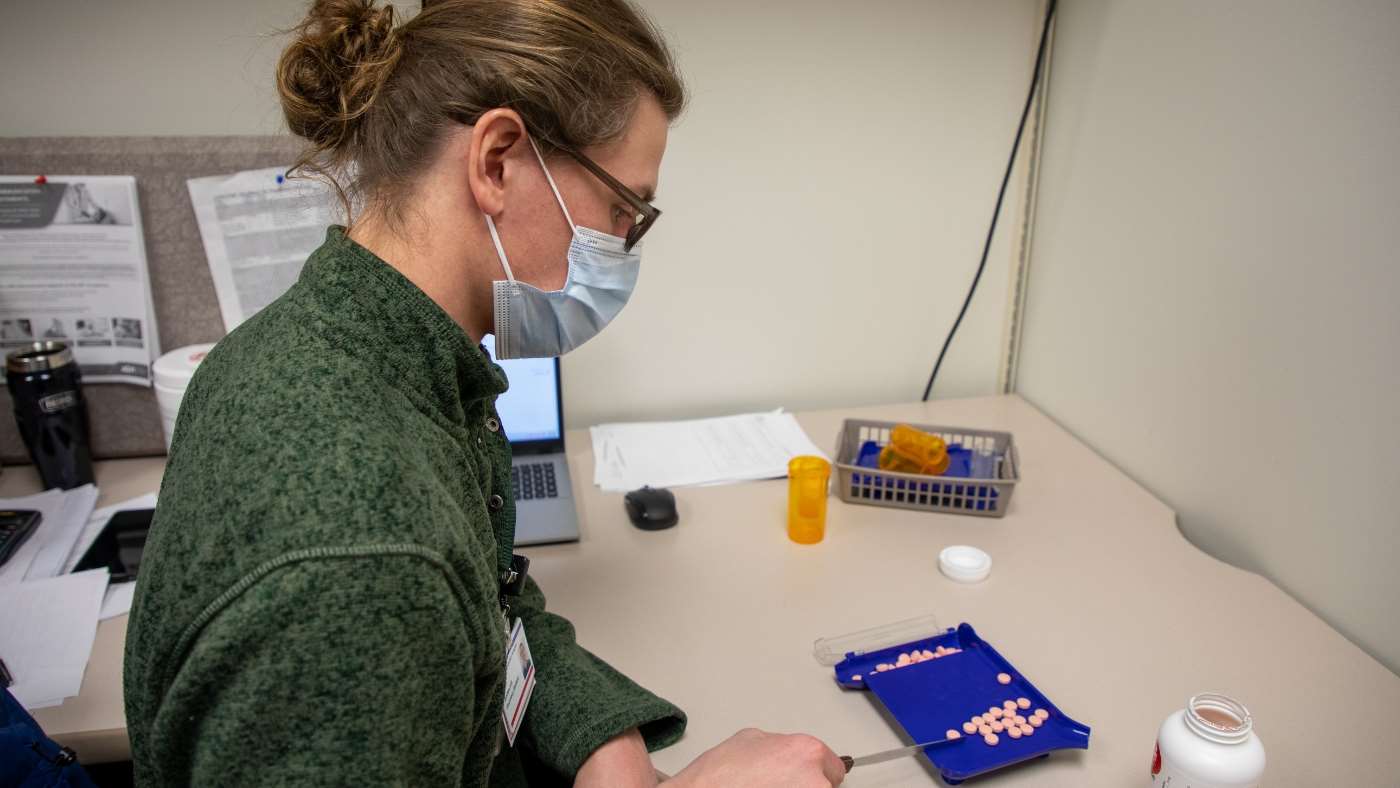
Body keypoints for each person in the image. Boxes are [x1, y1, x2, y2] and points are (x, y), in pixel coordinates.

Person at [123, 1, 847, 786]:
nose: (625, 246)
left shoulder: (355, 352)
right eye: (623, 211)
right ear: (497, 160)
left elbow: (490, 609)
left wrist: (598, 736)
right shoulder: (364, 552)